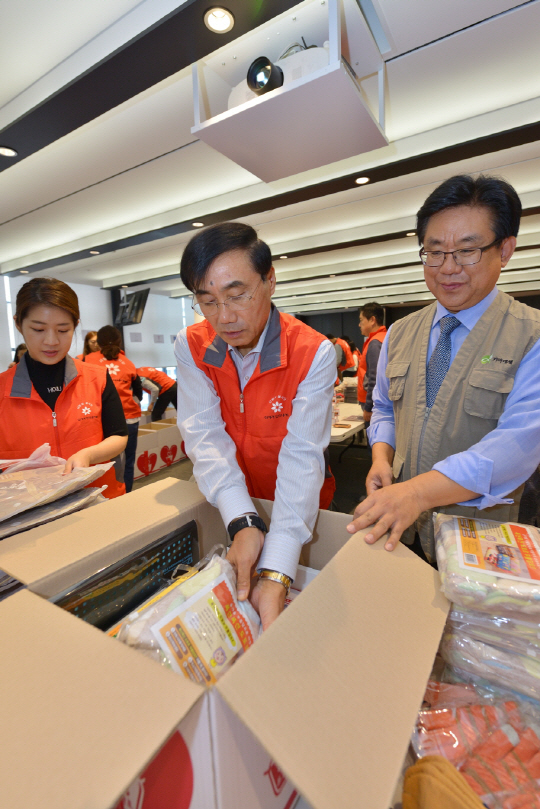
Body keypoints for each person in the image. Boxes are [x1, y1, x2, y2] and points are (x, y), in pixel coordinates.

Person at [347, 174, 540, 565]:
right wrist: (382, 458)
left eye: (468, 251)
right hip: (401, 527)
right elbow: (385, 408)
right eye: (434, 251)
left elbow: (517, 445)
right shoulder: (400, 333)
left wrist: (417, 493)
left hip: (479, 534)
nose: (448, 267)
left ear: (505, 250)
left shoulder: (530, 336)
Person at [175, 222, 336, 630]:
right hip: (230, 502)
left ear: (269, 281)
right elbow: (204, 435)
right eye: (207, 301)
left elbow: (302, 458)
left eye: (237, 295)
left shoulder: (312, 352)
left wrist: (279, 569)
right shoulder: (191, 346)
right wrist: (243, 521)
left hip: (298, 506)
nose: (224, 318)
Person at [0, 278, 127, 497]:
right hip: (29, 512)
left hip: (99, 499)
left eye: (63, 330)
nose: (51, 341)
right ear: (19, 324)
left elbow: (118, 435)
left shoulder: (96, 377)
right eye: (38, 329)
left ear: (75, 325)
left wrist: (88, 454)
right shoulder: (3, 390)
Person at [85, 326, 142, 493]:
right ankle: (127, 494)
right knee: (128, 461)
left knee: (105, 462)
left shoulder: (87, 361)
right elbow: (138, 392)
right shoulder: (128, 363)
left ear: (98, 342)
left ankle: (107, 497)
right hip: (130, 417)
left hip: (102, 420)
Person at [357, 302, 387, 422]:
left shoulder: (375, 343)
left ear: (372, 320)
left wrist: (369, 407)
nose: (359, 324)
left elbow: (374, 377)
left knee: (374, 438)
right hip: (383, 400)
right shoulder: (386, 337)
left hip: (374, 404)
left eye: (361, 320)